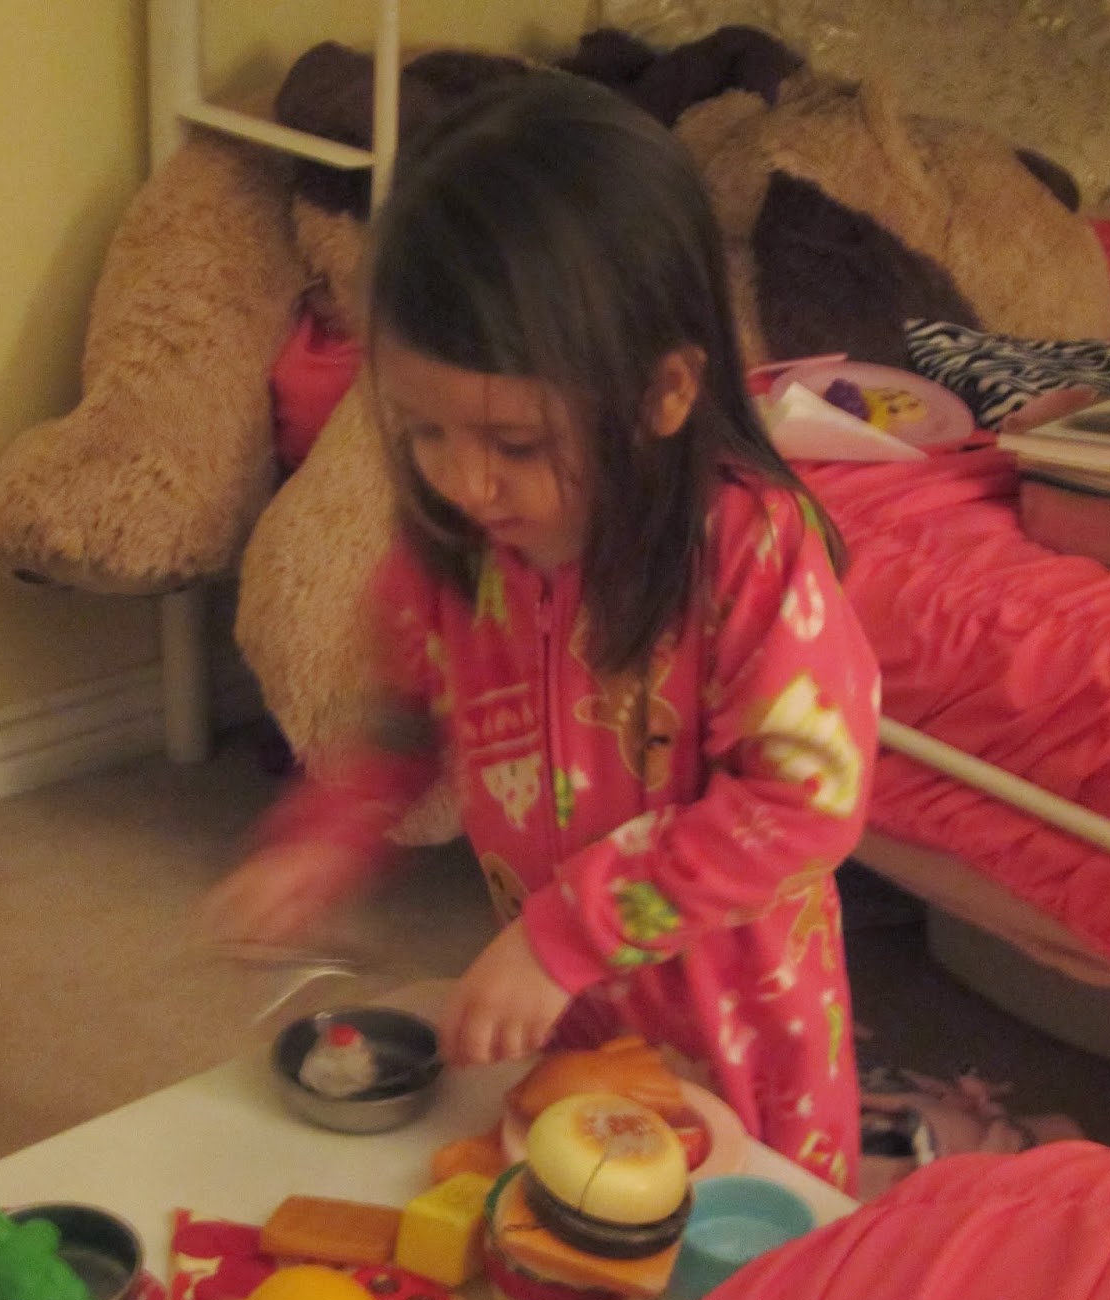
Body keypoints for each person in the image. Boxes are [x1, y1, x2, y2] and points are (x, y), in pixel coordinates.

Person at [203, 71, 879, 1192]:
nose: (466, 483)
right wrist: (327, 832)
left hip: (744, 1044)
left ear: (661, 393)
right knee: (562, 1237)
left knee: (746, 1266)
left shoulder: (749, 552)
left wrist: (569, 930)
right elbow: (401, 721)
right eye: (425, 432)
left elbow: (807, 802)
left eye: (515, 444)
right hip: (567, 1022)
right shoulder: (457, 549)